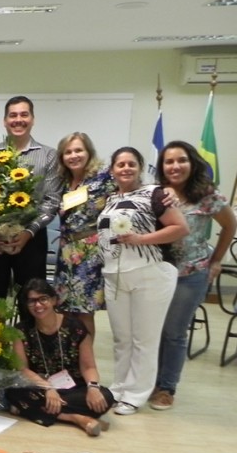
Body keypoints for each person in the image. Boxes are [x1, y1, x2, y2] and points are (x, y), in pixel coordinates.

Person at [97, 146, 188, 415]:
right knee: (122, 339)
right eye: (120, 164)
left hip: (150, 273)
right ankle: (119, 388)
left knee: (143, 340)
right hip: (115, 275)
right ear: (112, 170)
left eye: (131, 164)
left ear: (140, 167)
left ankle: (135, 395)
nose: (126, 168)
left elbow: (180, 228)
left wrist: (141, 239)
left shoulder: (156, 194)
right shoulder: (110, 199)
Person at [150, 140, 236, 410]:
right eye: (169, 161)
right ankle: (152, 381)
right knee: (155, 330)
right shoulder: (156, 192)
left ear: (192, 163)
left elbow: (230, 225)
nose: (175, 166)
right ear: (162, 166)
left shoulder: (207, 194)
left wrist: (216, 260)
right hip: (158, 273)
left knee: (174, 332)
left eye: (181, 160)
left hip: (191, 273)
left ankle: (167, 388)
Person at [0, 96, 59, 299]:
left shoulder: (48, 155)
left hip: (32, 240)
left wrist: (28, 232)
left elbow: (52, 200)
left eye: (24, 115)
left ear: (33, 119)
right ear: (5, 121)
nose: (18, 120)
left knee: (32, 300)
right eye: (13, 115)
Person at [4, 279, 116, 436]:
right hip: (40, 386)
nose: (38, 305)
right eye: (32, 301)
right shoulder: (21, 330)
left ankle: (33, 409)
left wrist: (93, 388)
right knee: (12, 391)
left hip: (73, 387)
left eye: (43, 299)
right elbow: (22, 369)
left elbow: (88, 367)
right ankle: (76, 418)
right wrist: (48, 388)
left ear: (54, 300)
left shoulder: (76, 327)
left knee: (105, 396)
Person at [52, 132, 115, 337]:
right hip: (65, 252)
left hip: (89, 254)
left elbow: (130, 190)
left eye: (78, 150)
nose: (74, 156)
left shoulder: (104, 178)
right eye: (68, 152)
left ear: (89, 152)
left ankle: (85, 354)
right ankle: (68, 353)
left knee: (84, 311)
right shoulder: (62, 181)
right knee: (63, 308)